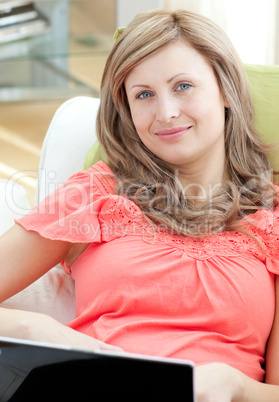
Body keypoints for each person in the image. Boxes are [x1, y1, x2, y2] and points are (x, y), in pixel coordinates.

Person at [0, 8, 279, 401]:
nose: (165, 113)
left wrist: (237, 387)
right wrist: (36, 330)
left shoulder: (274, 221)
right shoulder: (95, 192)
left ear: (226, 90)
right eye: (144, 95)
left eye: (183, 86)